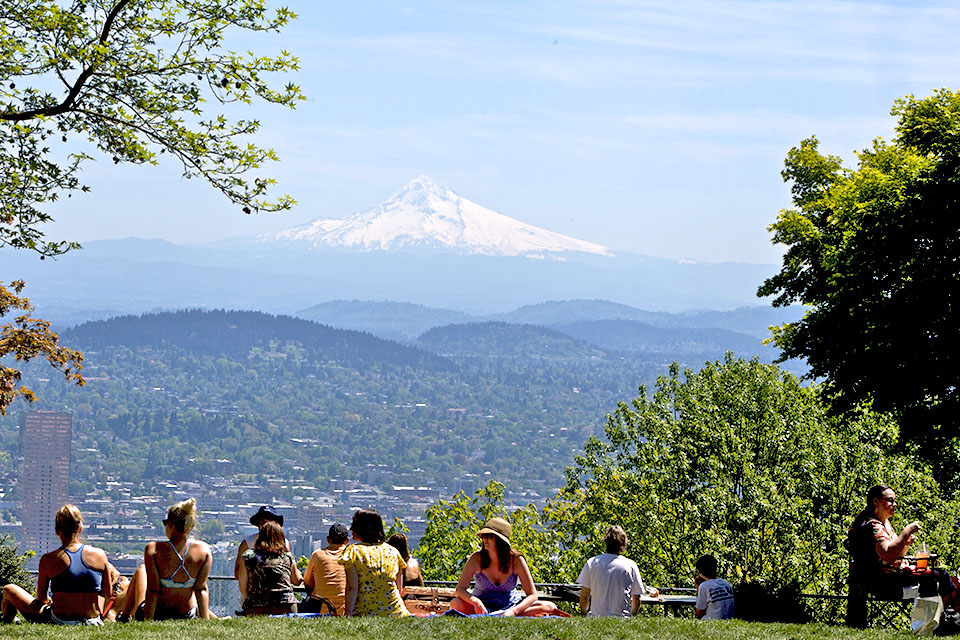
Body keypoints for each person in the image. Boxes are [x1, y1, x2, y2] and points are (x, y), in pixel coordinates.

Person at [847, 484, 957, 605]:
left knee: (941, 577)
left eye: (895, 501)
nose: (894, 504)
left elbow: (897, 555)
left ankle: (942, 618)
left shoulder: (885, 523)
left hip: (893, 576)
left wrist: (906, 544)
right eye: (890, 500)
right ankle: (945, 618)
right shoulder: (874, 526)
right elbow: (888, 555)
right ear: (876, 501)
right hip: (885, 584)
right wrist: (906, 531)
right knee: (941, 578)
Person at [1, 504, 110, 625]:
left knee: (8, 589)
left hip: (60, 620)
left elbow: (42, 598)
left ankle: (9, 620)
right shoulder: (100, 555)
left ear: (57, 531)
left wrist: (53, 601)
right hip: (93, 621)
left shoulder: (49, 559)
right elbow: (107, 594)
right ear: (80, 528)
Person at [451, 517, 558, 617]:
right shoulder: (476, 558)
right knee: (456, 603)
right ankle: (501, 616)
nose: (485, 539)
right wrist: (474, 601)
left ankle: (507, 616)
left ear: (500, 540)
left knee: (549, 606)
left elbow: (532, 595)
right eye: (484, 536)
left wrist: (514, 611)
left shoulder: (516, 560)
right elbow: (460, 589)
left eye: (490, 536)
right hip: (481, 607)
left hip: (511, 606)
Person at [142, 498, 213, 620]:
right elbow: (201, 590)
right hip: (187, 614)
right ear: (190, 526)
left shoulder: (153, 550)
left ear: (170, 524)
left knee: (139, 572)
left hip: (160, 613)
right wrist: (205, 622)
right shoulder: (203, 551)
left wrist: (148, 621)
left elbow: (153, 590)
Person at [339, 509, 409, 616]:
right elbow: (399, 589)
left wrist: (347, 614)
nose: (351, 528)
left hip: (365, 612)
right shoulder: (393, 552)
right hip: (397, 613)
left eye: (354, 524)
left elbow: (352, 587)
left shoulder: (353, 552)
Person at [577, 525, 657, 617]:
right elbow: (636, 598)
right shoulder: (630, 565)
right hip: (622, 618)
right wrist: (631, 615)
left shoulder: (592, 563)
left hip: (596, 617)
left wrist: (584, 614)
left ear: (605, 542)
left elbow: (584, 597)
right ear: (623, 544)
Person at [239, 520, 302, 615]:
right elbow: (297, 581)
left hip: (256, 605)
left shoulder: (248, 557)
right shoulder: (288, 557)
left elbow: (243, 589)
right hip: (286, 605)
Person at [302, 523, 349, 615]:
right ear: (347, 541)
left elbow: (307, 581)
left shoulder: (318, 555)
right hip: (347, 608)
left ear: (328, 539)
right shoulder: (351, 556)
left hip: (321, 608)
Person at [234, 505, 287, 580]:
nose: (265, 524)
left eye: (269, 520)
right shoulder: (247, 543)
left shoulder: (285, 543)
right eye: (262, 521)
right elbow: (237, 572)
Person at [694, 554, 734, 620]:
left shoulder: (704, 586)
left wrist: (698, 587)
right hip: (729, 619)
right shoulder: (725, 583)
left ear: (699, 571)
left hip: (713, 621)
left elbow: (699, 612)